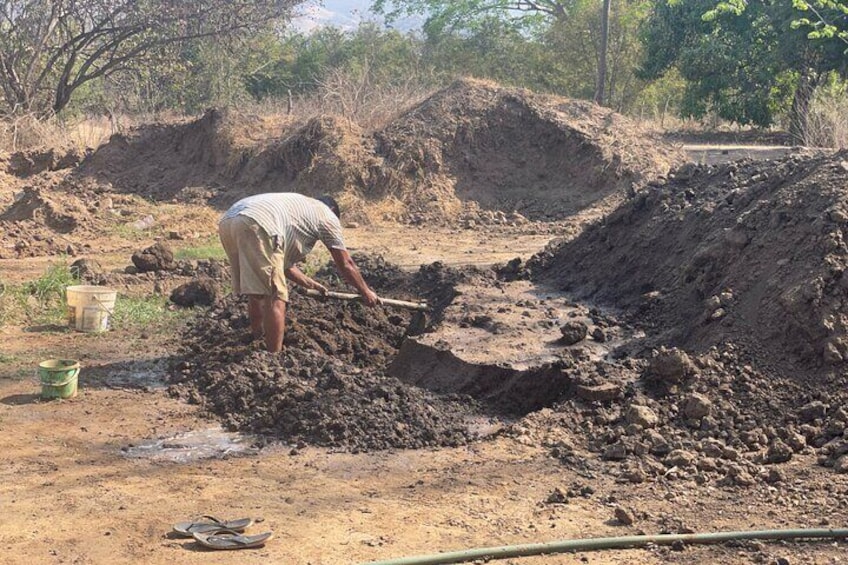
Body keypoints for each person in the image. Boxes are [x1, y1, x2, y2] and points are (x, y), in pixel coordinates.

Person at [218, 192, 379, 353]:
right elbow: (346, 263)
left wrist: (309, 282)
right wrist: (365, 292)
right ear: (332, 210)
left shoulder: (300, 210)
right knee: (275, 296)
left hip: (230, 220)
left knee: (257, 289)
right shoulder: (327, 215)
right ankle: (273, 357)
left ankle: (257, 340)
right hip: (259, 222)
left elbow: (281, 264)